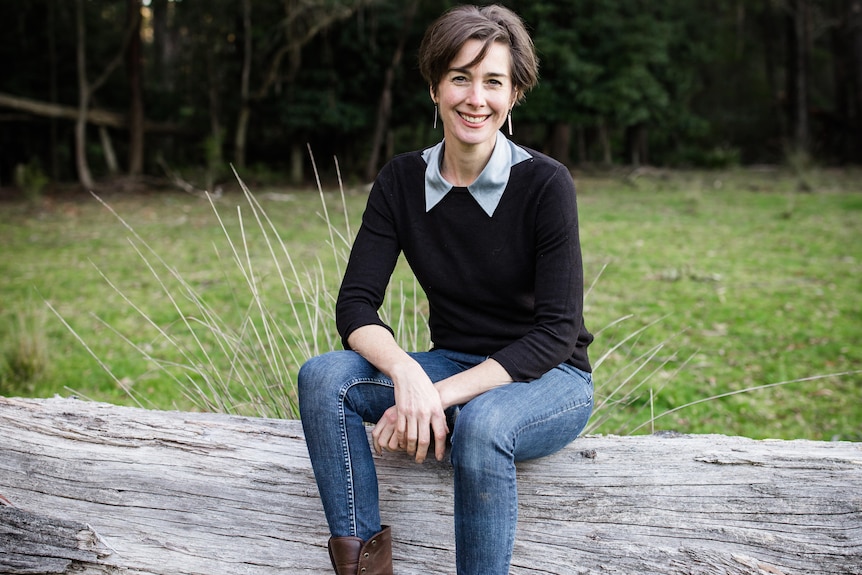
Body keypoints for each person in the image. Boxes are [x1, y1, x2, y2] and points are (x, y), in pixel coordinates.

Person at [298, 4, 594, 574]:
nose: (474, 98)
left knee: (483, 426)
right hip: (449, 363)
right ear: (435, 87)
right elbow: (355, 303)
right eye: (460, 77)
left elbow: (555, 334)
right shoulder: (402, 180)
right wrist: (409, 375)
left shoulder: (545, 184)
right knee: (324, 378)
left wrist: (437, 396)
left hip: (549, 379)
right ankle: (364, 567)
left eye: (493, 82)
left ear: (514, 95)